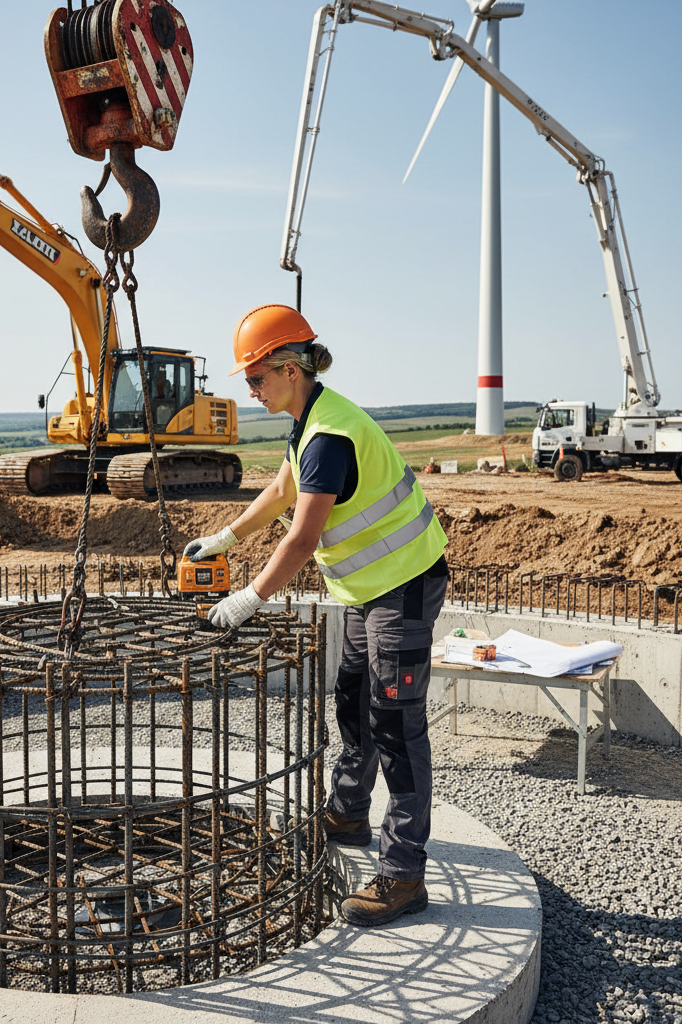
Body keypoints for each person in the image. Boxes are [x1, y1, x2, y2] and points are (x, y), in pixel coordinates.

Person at [184, 304, 449, 928]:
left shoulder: (330, 435)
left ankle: (404, 874)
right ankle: (349, 813)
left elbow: (302, 538)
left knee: (395, 723)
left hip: (405, 584)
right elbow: (281, 491)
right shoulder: (308, 421)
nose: (250, 390)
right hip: (365, 590)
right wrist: (225, 537)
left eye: (256, 377)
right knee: (353, 699)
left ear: (289, 368)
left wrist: (249, 597)